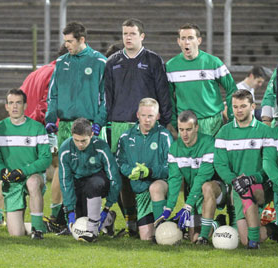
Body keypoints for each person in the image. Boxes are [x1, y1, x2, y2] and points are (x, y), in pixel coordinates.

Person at [105, 18, 173, 235]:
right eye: (125, 33)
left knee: (151, 171)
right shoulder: (112, 61)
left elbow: (164, 93)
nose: (128, 37)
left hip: (147, 124)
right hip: (118, 125)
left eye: (132, 33)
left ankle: (155, 219)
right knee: (122, 174)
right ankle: (131, 219)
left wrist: (163, 123)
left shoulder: (153, 60)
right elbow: (107, 96)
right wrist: (107, 123)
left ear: (142, 36)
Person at [0, 45, 68, 228]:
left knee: (10, 169)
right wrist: (49, 126)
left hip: (19, 125)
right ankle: (56, 214)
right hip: (37, 127)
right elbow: (46, 103)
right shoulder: (58, 72)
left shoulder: (37, 72)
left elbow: (21, 94)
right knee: (59, 165)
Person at [214, 89, 276, 248]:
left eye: (243, 106)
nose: (238, 110)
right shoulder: (224, 132)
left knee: (249, 187)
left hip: (262, 187)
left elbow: (269, 164)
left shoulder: (264, 131)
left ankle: (255, 243)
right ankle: (271, 228)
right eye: (235, 107)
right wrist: (234, 180)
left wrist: (253, 178)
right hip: (237, 187)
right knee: (243, 240)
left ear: (253, 107)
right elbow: (220, 164)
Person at [155, 110, 228, 244]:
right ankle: (217, 223)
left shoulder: (209, 143)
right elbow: (175, 179)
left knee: (206, 187)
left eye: (188, 129)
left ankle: (204, 238)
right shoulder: (175, 149)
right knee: (193, 237)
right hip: (194, 192)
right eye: (181, 129)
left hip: (217, 189)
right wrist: (169, 208)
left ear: (196, 128)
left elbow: (202, 177)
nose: (184, 134)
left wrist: (187, 206)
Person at [0, 89, 52, 239]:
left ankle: (38, 229)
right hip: (12, 182)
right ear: (6, 106)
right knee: (16, 234)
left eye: (18, 103)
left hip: (31, 176)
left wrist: (23, 172)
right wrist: (2, 171)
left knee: (32, 182)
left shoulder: (37, 128)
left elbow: (46, 159)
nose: (14, 106)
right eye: (11, 103)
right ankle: (32, 226)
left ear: (25, 105)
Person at [116, 98, 173, 241]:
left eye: (151, 116)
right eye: (144, 116)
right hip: (140, 192)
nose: (147, 120)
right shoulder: (125, 137)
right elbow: (120, 162)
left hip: (161, 187)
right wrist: (130, 171)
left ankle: (162, 229)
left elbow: (172, 167)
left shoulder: (164, 136)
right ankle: (174, 224)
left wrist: (150, 172)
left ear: (158, 116)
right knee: (146, 238)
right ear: (137, 115)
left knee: (155, 187)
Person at [166, 23, 237, 136]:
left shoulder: (214, 62)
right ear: (178, 41)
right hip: (185, 124)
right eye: (183, 38)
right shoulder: (171, 66)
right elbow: (168, 97)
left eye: (190, 38)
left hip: (213, 123)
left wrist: (231, 115)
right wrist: (174, 122)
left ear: (199, 40)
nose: (187, 42)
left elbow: (232, 89)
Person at [45, 21, 107, 149]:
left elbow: (106, 97)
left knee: (93, 166)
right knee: (66, 166)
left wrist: (99, 122)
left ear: (82, 39)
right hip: (65, 127)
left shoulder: (99, 62)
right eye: (65, 41)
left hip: (90, 127)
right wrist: (50, 119)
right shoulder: (61, 62)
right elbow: (53, 94)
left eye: (70, 41)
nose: (66, 45)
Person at [58, 118, 121, 242]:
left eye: (84, 141)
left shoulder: (101, 146)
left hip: (98, 182)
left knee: (92, 185)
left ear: (91, 135)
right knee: (81, 220)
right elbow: (65, 181)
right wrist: (70, 210)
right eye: (76, 140)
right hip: (78, 184)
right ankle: (108, 220)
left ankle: (93, 231)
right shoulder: (66, 149)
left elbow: (115, 178)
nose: (80, 144)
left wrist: (107, 206)